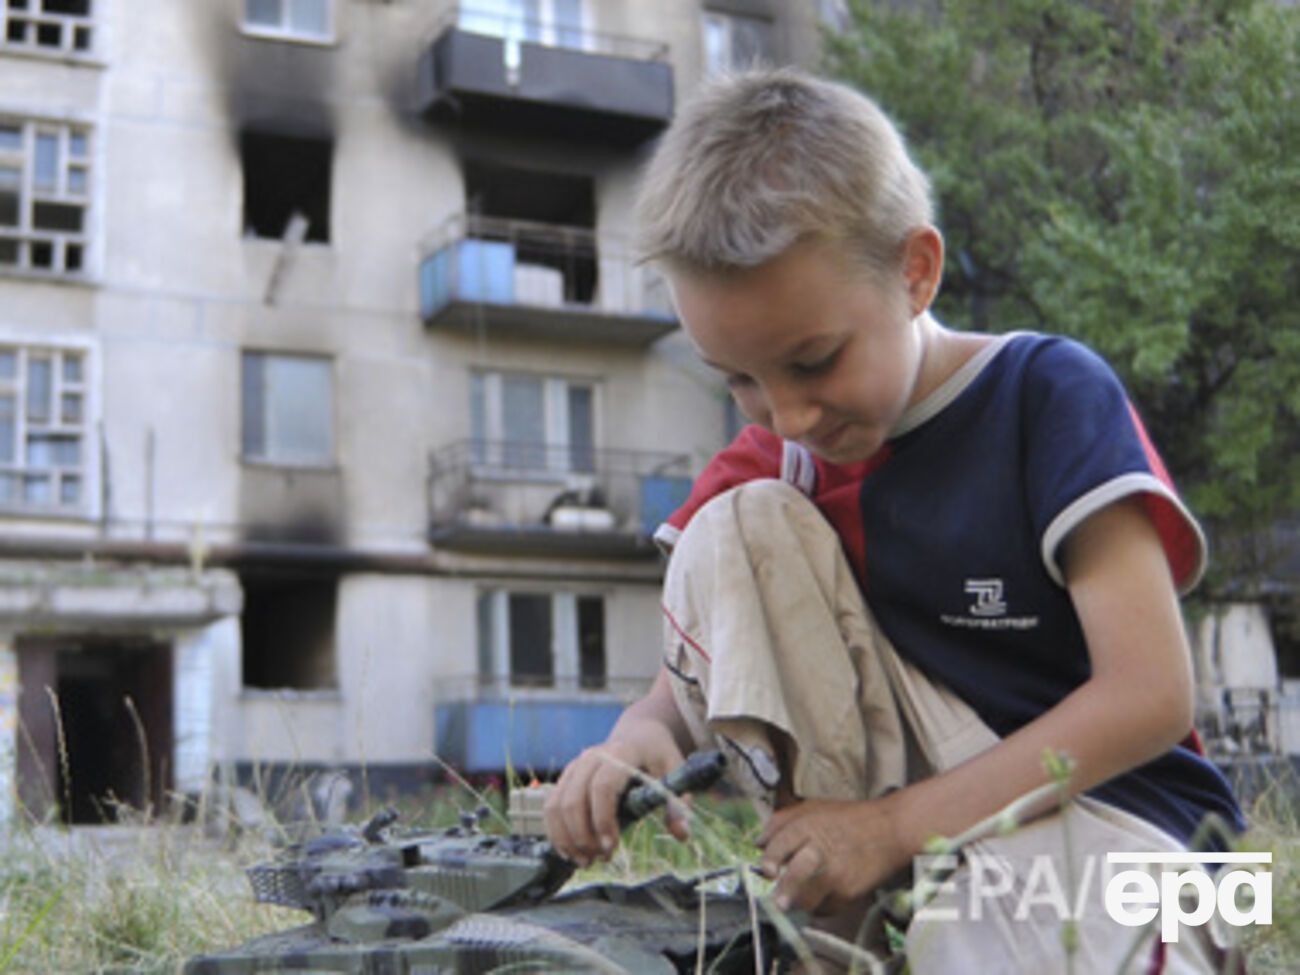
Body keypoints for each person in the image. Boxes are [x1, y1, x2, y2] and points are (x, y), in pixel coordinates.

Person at [543, 68, 1245, 973]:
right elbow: (697, 664)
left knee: (975, 937)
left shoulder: (1046, 396)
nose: (787, 413)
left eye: (816, 360)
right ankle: (835, 921)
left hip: (1150, 839)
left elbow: (1153, 695)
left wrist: (895, 826)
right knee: (731, 525)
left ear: (916, 270)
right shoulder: (782, 464)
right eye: (740, 378)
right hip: (931, 860)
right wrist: (642, 733)